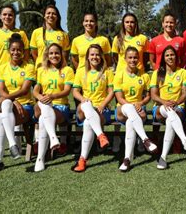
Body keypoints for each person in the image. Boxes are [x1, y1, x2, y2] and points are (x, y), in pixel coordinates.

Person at [0, 4, 30, 156]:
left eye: (10, 14)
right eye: (5, 14)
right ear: (0, 16)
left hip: (15, 74)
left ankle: (15, 142)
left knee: (14, 105)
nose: (7, 17)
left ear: (14, 17)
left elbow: (26, 53)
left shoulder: (20, 33)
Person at [0, 34, 35, 173]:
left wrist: (12, 101)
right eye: (13, 49)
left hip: (25, 108)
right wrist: (13, 101)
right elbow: (1, 90)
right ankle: (12, 146)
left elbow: (25, 90)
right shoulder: (2, 68)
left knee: (2, 113)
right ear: (9, 50)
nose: (16, 52)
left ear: (23, 51)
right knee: (4, 110)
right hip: (9, 109)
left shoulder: (29, 67)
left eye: (19, 50)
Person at [150, 46, 186, 169]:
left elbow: (185, 94)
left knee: (170, 119)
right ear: (163, 58)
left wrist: (176, 103)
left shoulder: (183, 72)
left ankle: (163, 158)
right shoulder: (157, 73)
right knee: (170, 113)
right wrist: (164, 102)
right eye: (167, 55)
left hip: (177, 108)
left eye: (172, 55)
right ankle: (185, 141)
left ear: (176, 57)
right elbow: (153, 95)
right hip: (160, 108)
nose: (170, 57)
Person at [72, 44, 115, 172]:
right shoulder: (81, 71)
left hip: (101, 110)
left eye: (97, 54)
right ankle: (101, 135)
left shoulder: (107, 72)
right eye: (92, 54)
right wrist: (82, 99)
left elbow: (111, 92)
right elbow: (75, 91)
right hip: (84, 108)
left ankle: (82, 160)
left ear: (101, 57)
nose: (95, 57)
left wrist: (103, 104)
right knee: (86, 105)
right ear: (88, 57)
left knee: (87, 123)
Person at [114, 47, 158, 172]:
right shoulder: (119, 74)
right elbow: (119, 98)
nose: (133, 60)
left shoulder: (144, 75)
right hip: (122, 110)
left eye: (135, 57)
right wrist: (133, 106)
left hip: (138, 111)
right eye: (130, 57)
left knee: (130, 123)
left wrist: (141, 102)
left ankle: (127, 159)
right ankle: (145, 139)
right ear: (125, 59)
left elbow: (148, 96)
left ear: (138, 59)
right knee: (128, 108)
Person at [33, 43, 75, 172]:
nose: (54, 55)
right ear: (47, 55)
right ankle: (53, 138)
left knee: (42, 120)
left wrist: (52, 96)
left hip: (60, 108)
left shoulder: (67, 70)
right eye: (51, 53)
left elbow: (67, 91)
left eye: (57, 53)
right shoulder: (41, 70)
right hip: (43, 104)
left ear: (61, 54)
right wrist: (41, 98)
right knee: (44, 106)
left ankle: (40, 159)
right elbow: (35, 91)